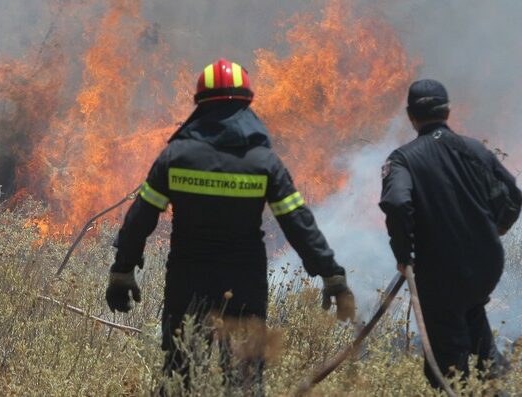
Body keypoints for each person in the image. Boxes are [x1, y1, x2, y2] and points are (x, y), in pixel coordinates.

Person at [105, 58, 355, 394]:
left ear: (200, 105)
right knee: (244, 381)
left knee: (180, 377)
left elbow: (140, 218)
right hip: (244, 289)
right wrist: (332, 275)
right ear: (247, 105)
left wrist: (122, 271)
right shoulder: (263, 162)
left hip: (187, 285)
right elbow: (298, 224)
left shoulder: (176, 156)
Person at [379, 79, 522, 389]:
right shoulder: (473, 149)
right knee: (471, 314)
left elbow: (397, 202)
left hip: (441, 272)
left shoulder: (403, 159)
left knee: (447, 363)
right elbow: (513, 195)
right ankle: (492, 377)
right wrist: (496, 230)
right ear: (447, 112)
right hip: (485, 265)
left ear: (411, 116)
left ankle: (457, 382)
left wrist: (404, 255)